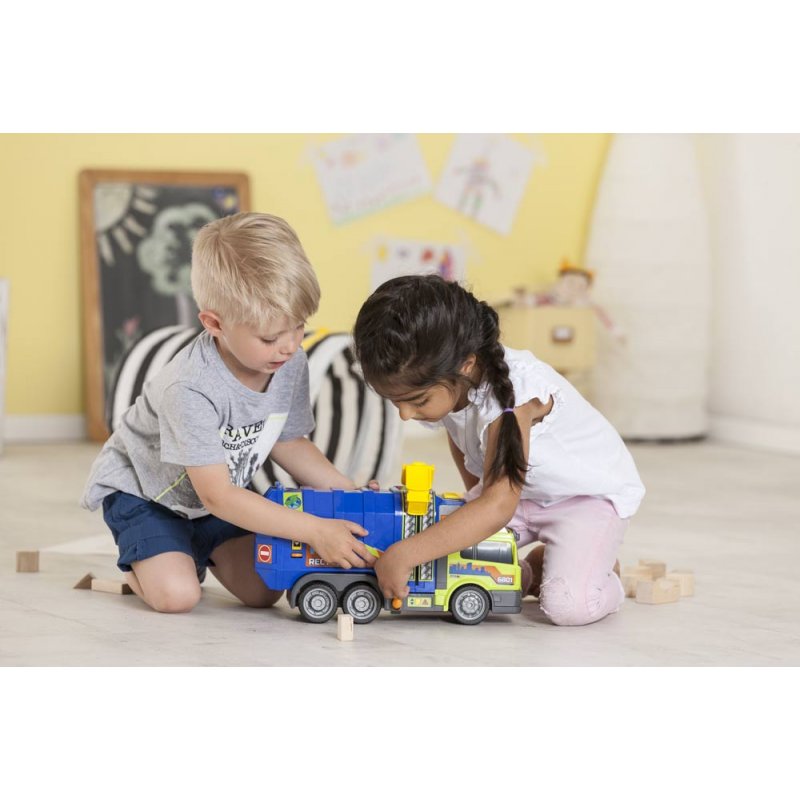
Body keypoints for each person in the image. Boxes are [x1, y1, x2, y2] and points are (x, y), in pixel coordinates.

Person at [81, 212, 375, 613]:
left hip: (211, 498)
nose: (290, 346)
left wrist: (350, 494)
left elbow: (289, 441)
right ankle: (150, 562)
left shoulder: (289, 362)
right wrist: (315, 531)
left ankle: (190, 550)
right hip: (147, 494)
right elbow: (217, 495)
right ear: (214, 324)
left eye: (299, 327)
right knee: (178, 597)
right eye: (270, 337)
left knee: (264, 590)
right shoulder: (190, 387)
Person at [353, 274, 645, 627]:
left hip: (583, 499)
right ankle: (533, 571)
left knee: (568, 607)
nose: (404, 414)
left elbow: (498, 506)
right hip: (516, 497)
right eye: (395, 402)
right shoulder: (453, 385)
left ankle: (603, 578)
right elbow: (461, 438)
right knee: (451, 562)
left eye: (417, 401)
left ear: (465, 364)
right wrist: (473, 499)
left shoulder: (515, 399)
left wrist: (406, 554)